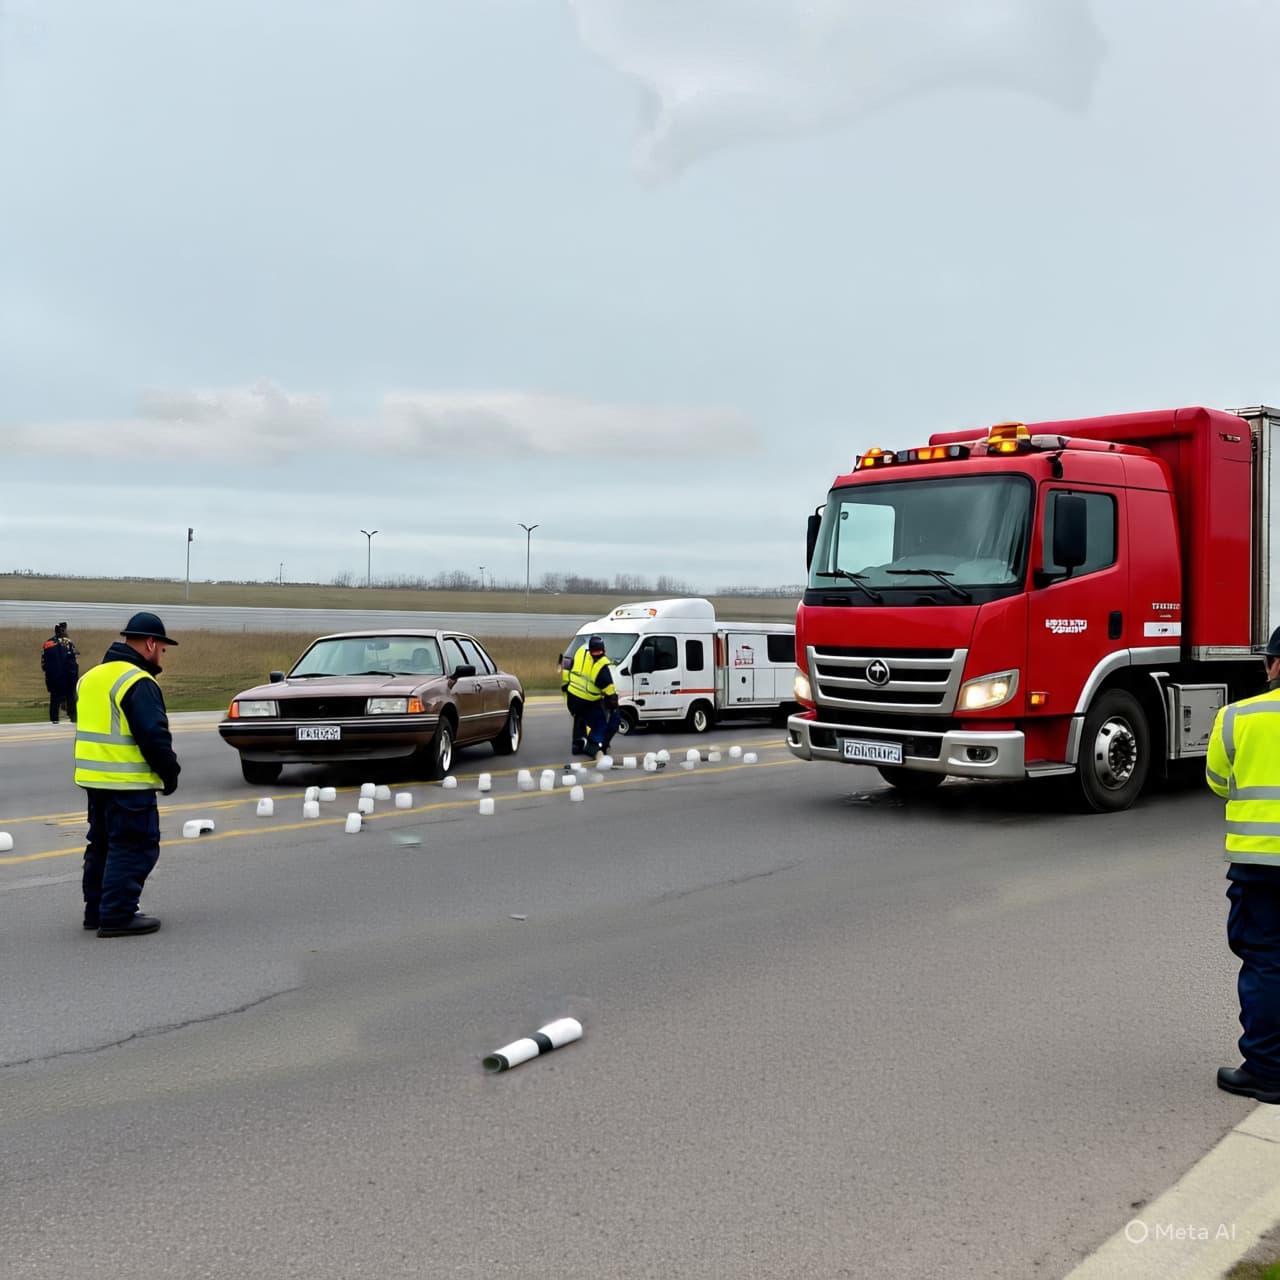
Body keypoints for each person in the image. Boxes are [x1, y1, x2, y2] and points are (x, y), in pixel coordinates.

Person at [1207, 627, 1280, 1103]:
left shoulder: (1237, 717)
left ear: (1274, 665)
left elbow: (1217, 781)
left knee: (1267, 963)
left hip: (1261, 867)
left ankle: (1268, 1071)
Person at [74, 612, 181, 938]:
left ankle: (96, 911)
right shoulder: (138, 682)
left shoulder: (90, 678)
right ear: (150, 643)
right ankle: (118, 914)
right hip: (128, 783)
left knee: (102, 845)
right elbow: (154, 735)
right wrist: (170, 772)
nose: (161, 656)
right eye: (162, 649)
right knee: (134, 846)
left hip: (94, 780)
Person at [561, 635, 621, 759]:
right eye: (596, 652)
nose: (597, 655)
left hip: (572, 697)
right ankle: (592, 748)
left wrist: (565, 686)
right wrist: (614, 707)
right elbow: (610, 692)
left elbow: (567, 664)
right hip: (587, 699)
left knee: (580, 718)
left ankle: (577, 746)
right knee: (600, 724)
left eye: (599, 652)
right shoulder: (601, 667)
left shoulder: (581, 652)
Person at [41, 621, 80, 724]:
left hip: (53, 677)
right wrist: (74, 677)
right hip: (67, 677)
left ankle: (54, 720)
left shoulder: (47, 643)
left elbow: (43, 663)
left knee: (54, 700)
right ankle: (73, 719)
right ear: (63, 630)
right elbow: (73, 659)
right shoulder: (67, 642)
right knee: (71, 699)